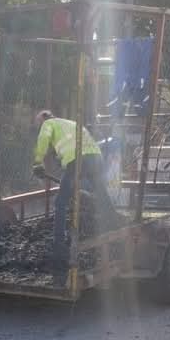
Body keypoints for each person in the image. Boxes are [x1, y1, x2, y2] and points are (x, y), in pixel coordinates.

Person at [32, 110, 120, 270]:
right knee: (101, 195)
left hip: (77, 161)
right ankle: (115, 226)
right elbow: (74, 143)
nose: (38, 126)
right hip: (95, 158)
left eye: (38, 122)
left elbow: (43, 139)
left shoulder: (49, 124)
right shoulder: (71, 123)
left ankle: (59, 244)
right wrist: (62, 161)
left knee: (60, 203)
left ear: (45, 117)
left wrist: (38, 162)